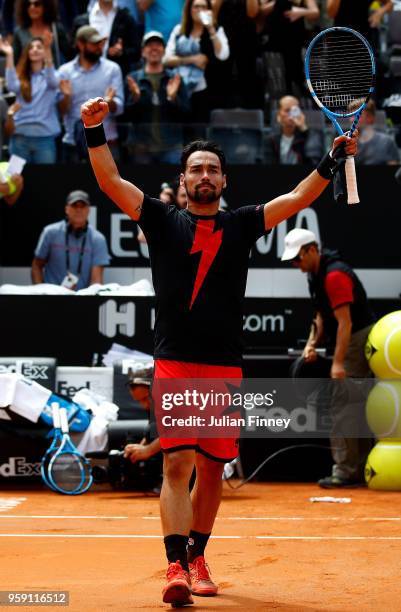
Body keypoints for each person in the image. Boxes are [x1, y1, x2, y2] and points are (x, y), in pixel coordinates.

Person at [80, 94, 357, 606]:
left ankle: (199, 554)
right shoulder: (160, 220)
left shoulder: (243, 223)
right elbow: (110, 182)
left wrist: (333, 158)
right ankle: (175, 568)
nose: (204, 176)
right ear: (183, 180)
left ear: (224, 181)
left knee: (211, 470)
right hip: (175, 361)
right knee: (177, 465)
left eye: (212, 169)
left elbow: (297, 197)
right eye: (195, 169)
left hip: (224, 365)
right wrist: (95, 130)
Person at [281, 228, 376, 488]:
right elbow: (323, 315)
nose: (294, 264)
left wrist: (337, 363)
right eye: (291, 260)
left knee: (343, 404)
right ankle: (358, 467)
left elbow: (345, 323)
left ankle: (346, 472)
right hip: (348, 338)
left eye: (297, 258)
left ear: (312, 250)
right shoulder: (315, 273)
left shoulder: (334, 275)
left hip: (356, 339)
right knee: (353, 406)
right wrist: (312, 343)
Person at [57, 25, 124, 162]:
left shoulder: (112, 69)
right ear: (80, 45)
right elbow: (60, 112)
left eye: (100, 43)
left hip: (107, 141)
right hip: (73, 143)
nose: (99, 47)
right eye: (94, 44)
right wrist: (67, 97)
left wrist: (109, 103)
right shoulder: (64, 71)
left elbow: (120, 108)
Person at [124, 30, 189, 164]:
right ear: (143, 51)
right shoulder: (133, 79)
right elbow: (125, 116)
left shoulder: (175, 79)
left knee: (174, 184)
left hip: (171, 146)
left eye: (158, 45)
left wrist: (172, 98)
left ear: (164, 51)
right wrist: (135, 98)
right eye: (149, 45)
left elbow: (186, 114)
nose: (154, 48)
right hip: (141, 147)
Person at [31, 189, 110, 290]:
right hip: (51, 298)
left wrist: (89, 302)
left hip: (81, 300)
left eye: (82, 206)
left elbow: (96, 280)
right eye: (74, 205)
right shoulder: (50, 232)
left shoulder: (98, 239)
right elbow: (37, 265)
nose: (78, 209)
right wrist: (41, 292)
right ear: (66, 209)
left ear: (89, 210)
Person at [164, 0, 229, 121]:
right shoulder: (180, 30)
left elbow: (223, 55)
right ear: (189, 10)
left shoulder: (216, 30)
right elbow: (166, 59)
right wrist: (191, 59)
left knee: (201, 134)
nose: (199, 10)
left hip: (206, 90)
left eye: (204, 7)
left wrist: (211, 29)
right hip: (181, 88)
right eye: (196, 6)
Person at [0, 36, 62, 163]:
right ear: (27, 53)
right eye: (31, 48)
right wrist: (10, 55)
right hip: (20, 138)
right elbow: (11, 85)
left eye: (39, 47)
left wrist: (48, 49)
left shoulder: (51, 77)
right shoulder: (21, 78)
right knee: (16, 181)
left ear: (45, 52)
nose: (34, 50)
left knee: (46, 181)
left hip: (44, 139)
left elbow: (53, 81)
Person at [73, 0, 142, 76]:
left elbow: (137, 52)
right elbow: (73, 51)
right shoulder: (81, 21)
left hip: (116, 76)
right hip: (85, 75)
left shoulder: (126, 18)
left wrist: (122, 52)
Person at [265, 95, 325, 165]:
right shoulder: (271, 140)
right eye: (287, 110)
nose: (291, 114)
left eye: (294, 110)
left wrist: (303, 128)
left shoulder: (312, 136)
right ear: (279, 116)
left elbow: (314, 162)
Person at [13, 0, 71, 67]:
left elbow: (69, 56)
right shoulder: (19, 32)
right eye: (28, 4)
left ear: (46, 6)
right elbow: (16, 61)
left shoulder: (56, 29)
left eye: (37, 4)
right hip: (28, 76)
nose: (32, 7)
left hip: (53, 75)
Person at [349, 99, 400, 166]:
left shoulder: (386, 142)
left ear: (370, 117)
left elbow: (392, 173)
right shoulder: (348, 144)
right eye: (351, 115)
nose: (351, 119)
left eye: (356, 115)